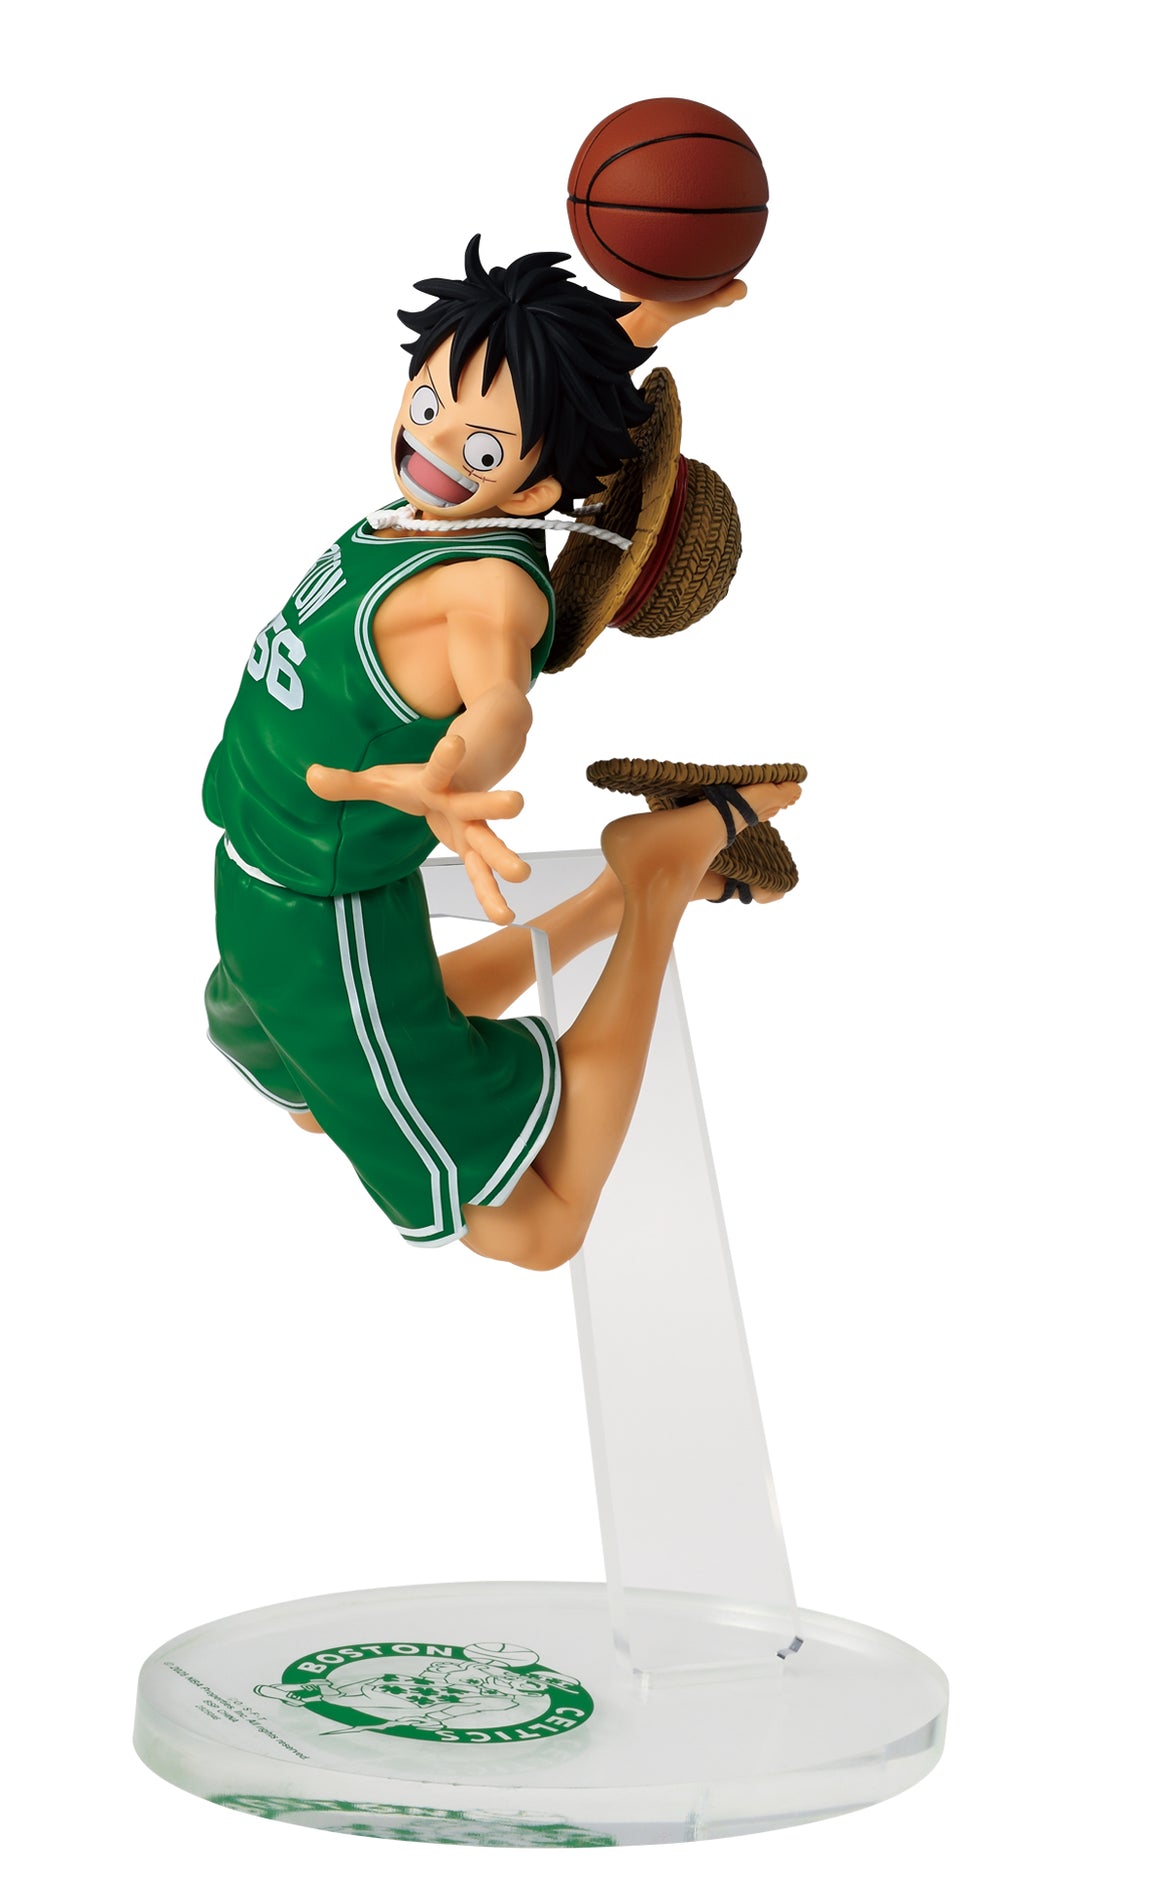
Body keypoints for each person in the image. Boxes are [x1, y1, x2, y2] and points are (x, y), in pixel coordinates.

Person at [202, 238, 800, 1268]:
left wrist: (457, 769)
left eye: (480, 447)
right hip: (266, 883)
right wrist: (649, 319)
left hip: (317, 914)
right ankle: (610, 897)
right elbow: (523, 370)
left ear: (530, 495)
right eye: (428, 399)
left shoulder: (489, 590)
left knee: (535, 1228)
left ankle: (657, 876)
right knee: (320, 1097)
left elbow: (499, 701)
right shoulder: (426, 514)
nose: (432, 440)